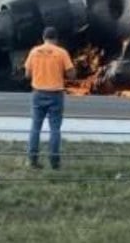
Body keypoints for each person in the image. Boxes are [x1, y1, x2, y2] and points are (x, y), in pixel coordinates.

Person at [23, 26, 75, 169]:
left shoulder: (34, 52)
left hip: (38, 93)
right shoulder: (61, 52)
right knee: (55, 129)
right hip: (56, 94)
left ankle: (32, 160)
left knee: (35, 127)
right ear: (56, 39)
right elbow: (71, 74)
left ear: (43, 38)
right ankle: (54, 162)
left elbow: (27, 74)